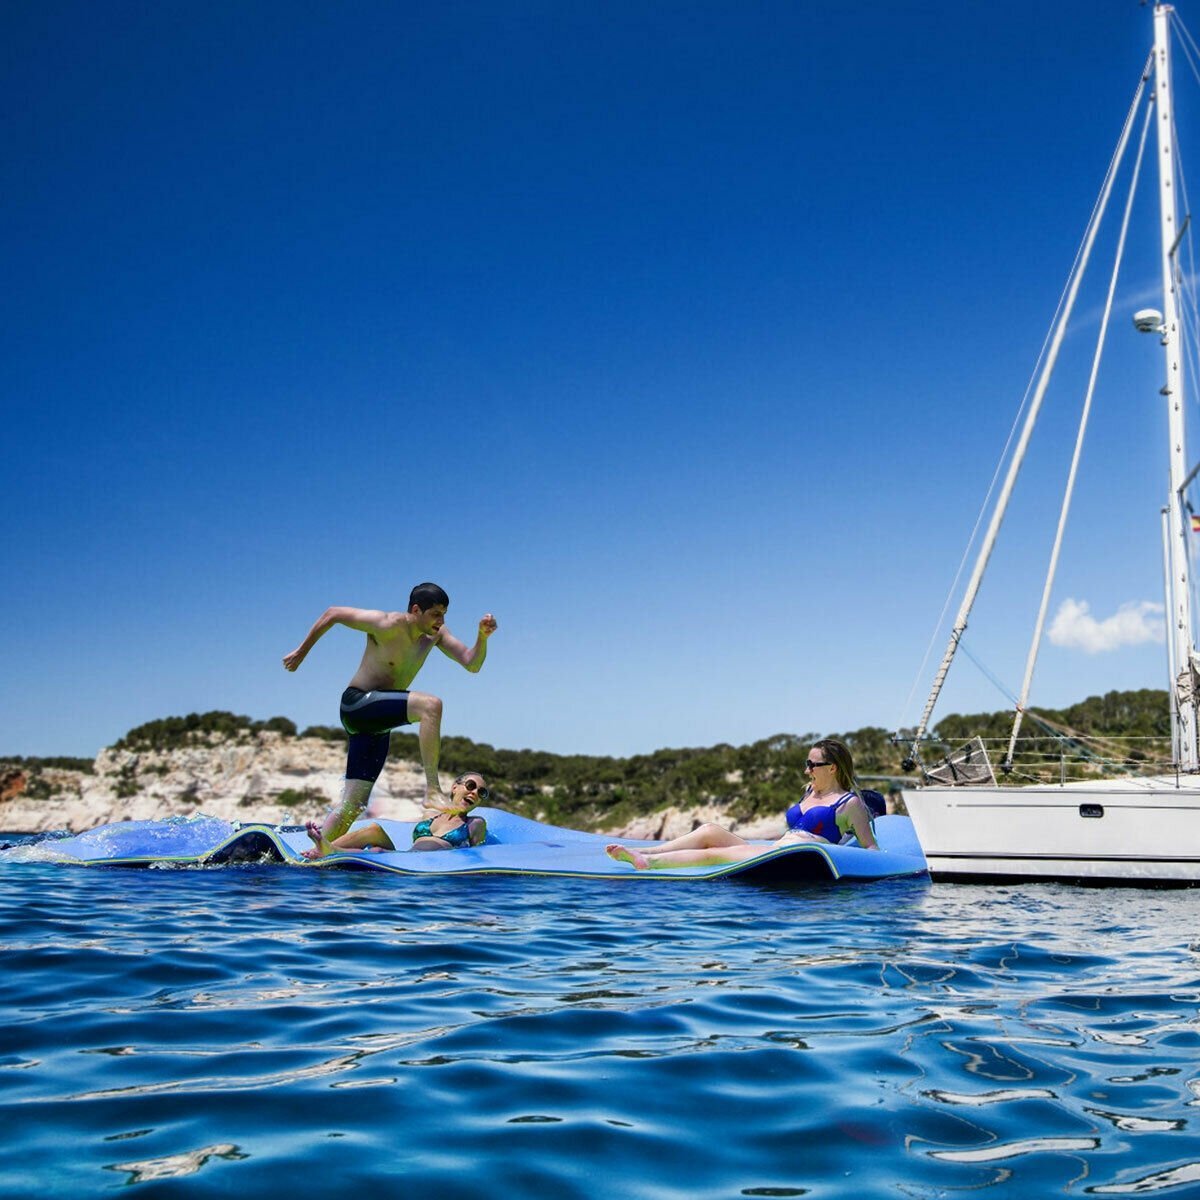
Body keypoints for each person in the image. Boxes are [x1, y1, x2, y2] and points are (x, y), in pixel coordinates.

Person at [283, 582, 497, 859]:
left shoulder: (436, 635)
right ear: (416, 610)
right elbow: (332, 613)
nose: (441, 621)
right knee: (430, 706)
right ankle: (433, 789)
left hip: (377, 723)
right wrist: (301, 652)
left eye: (444, 614)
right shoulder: (386, 624)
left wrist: (482, 637)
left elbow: (472, 663)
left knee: (353, 805)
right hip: (357, 704)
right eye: (435, 614)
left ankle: (312, 854)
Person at [605, 738, 879, 870]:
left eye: (812, 764)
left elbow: (870, 847)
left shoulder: (849, 803)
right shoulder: (808, 792)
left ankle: (650, 862)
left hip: (796, 858)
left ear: (832, 768)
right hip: (775, 851)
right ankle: (650, 850)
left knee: (715, 854)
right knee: (711, 830)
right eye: (806, 764)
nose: (807, 770)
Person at [305, 772, 491, 857]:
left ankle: (329, 850)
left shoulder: (475, 823)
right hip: (406, 857)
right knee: (373, 829)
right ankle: (324, 849)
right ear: (455, 787)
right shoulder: (433, 814)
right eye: (471, 786)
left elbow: (476, 856)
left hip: (424, 864)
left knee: (377, 851)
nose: (474, 793)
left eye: (481, 792)